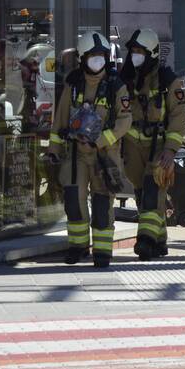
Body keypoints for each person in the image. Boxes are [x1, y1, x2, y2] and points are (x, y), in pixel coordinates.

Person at [44, 31, 131, 268]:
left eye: (101, 55)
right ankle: (78, 246)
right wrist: (54, 149)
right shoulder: (73, 84)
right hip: (76, 155)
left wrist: (101, 140)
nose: (97, 60)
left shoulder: (116, 86)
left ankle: (102, 251)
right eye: (92, 56)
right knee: (74, 200)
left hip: (105, 156)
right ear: (83, 58)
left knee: (102, 203)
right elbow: (60, 120)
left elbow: (125, 121)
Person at [120, 28, 185, 261]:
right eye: (133, 51)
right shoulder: (126, 77)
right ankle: (160, 240)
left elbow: (178, 117)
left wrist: (170, 149)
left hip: (158, 147)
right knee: (141, 193)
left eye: (140, 51)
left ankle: (146, 242)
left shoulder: (169, 81)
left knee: (152, 191)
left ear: (152, 54)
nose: (136, 55)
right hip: (131, 147)